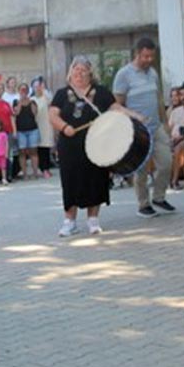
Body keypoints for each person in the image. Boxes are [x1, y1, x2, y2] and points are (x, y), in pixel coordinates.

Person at [49, 56, 123, 236]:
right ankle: (69, 221)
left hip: (97, 143)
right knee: (70, 181)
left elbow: (116, 110)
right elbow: (52, 116)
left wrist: (120, 118)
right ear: (70, 72)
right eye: (76, 69)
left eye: (83, 69)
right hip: (69, 145)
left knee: (95, 178)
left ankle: (93, 220)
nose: (79, 73)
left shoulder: (101, 92)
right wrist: (64, 127)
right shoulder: (61, 93)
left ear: (91, 72)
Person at [113, 38, 175, 218]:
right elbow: (117, 105)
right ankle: (143, 204)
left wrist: (165, 123)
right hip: (137, 131)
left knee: (166, 163)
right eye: (146, 56)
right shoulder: (124, 75)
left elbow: (159, 99)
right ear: (137, 53)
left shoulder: (153, 73)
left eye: (152, 56)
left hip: (156, 127)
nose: (149, 60)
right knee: (141, 169)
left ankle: (159, 197)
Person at [13, 84, 40, 181]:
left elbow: (34, 113)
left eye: (25, 90)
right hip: (21, 131)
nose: (23, 91)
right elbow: (16, 113)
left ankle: (35, 173)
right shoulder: (16, 102)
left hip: (32, 129)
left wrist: (28, 101)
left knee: (33, 151)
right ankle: (24, 174)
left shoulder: (32, 101)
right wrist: (21, 101)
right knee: (22, 152)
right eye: (21, 90)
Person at [32, 77, 55, 178]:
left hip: (46, 125)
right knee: (39, 148)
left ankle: (46, 168)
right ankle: (42, 169)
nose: (37, 88)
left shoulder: (46, 97)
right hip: (36, 126)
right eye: (35, 86)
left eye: (39, 86)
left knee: (46, 147)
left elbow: (50, 101)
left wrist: (43, 89)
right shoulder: (32, 99)